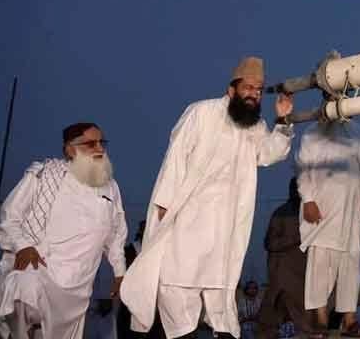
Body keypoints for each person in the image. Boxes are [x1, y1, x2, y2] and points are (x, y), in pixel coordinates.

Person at [120, 56, 295, 339]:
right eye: (248, 87)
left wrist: (283, 120)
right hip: (189, 217)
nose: (254, 94)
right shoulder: (201, 113)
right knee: (178, 281)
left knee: (220, 288)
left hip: (226, 225)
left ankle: (222, 330)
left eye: (259, 89)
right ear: (231, 89)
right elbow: (175, 159)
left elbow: (269, 153)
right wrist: (164, 203)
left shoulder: (255, 126)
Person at [0, 122, 128, 339]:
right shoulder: (43, 175)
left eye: (102, 142)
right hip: (43, 267)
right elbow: (10, 214)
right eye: (91, 144)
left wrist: (120, 273)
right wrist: (23, 246)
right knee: (21, 288)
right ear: (70, 149)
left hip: (80, 285)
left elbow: (116, 235)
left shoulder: (110, 186)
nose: (100, 149)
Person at [296, 117, 360, 338]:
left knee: (350, 264)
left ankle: (349, 322)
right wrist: (308, 199)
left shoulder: (356, 130)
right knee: (320, 266)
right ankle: (320, 322)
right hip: (321, 209)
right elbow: (303, 169)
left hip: (352, 210)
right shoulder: (312, 133)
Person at [258, 177, 311, 338]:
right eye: (296, 188)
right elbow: (270, 243)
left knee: (305, 322)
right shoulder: (281, 213)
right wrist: (297, 238)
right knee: (270, 319)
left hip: (302, 277)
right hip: (281, 276)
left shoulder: (311, 213)